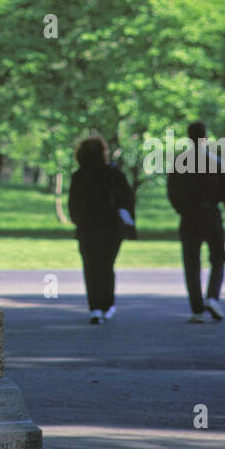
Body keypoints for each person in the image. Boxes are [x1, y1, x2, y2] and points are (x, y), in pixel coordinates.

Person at [167, 121, 225, 322]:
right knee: (218, 260)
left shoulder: (178, 162)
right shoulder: (214, 162)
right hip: (211, 215)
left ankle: (197, 309)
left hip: (189, 217)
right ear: (205, 137)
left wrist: (181, 209)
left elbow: (171, 192)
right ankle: (212, 296)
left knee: (191, 264)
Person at [68, 135, 136, 325]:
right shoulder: (113, 173)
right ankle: (107, 304)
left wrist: (78, 221)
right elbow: (127, 198)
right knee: (107, 266)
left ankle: (95, 307)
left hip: (87, 227)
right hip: (111, 227)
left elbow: (73, 205)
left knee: (90, 267)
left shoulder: (79, 176)